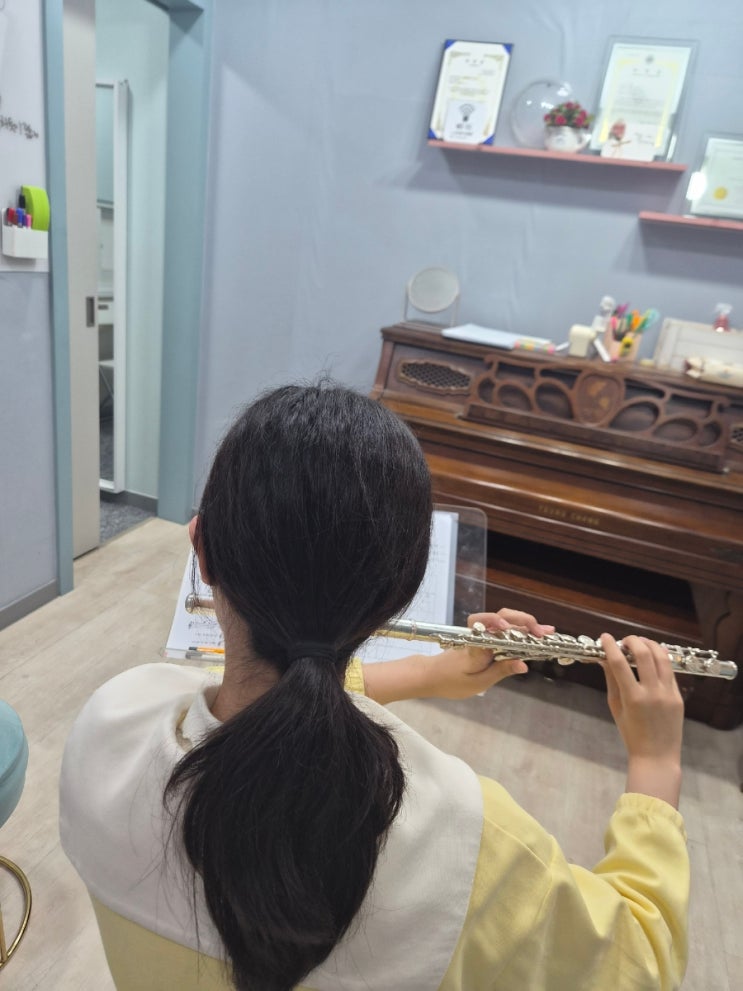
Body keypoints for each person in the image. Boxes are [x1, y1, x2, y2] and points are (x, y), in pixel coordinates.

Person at [59, 383, 689, 991]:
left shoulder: (109, 729)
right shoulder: (470, 841)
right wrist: (655, 761)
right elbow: (640, 960)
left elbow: (267, 699)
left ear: (201, 551)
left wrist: (430, 673)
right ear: (403, 589)